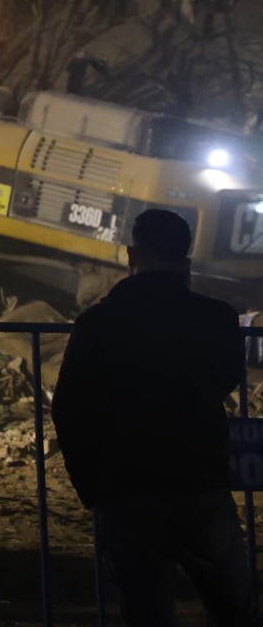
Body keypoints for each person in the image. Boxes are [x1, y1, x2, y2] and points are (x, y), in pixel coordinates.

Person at [52, 208, 261, 626]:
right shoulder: (216, 318)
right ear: (186, 260)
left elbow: (70, 407)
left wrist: (93, 488)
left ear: (131, 255)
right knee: (235, 610)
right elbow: (223, 381)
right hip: (198, 485)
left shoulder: (98, 322)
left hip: (125, 490)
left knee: (147, 612)